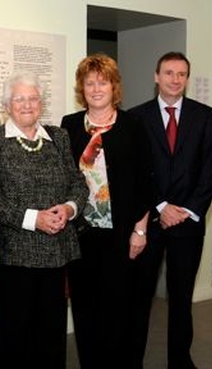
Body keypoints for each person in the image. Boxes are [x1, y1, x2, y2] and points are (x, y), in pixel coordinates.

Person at [0, 70, 88, 369]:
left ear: (41, 103)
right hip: (13, 258)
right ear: (7, 104)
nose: (27, 104)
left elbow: (78, 184)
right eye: (19, 99)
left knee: (51, 338)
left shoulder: (58, 136)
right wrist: (34, 219)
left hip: (56, 256)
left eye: (33, 98)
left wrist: (69, 209)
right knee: (15, 338)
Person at [61, 54, 153, 368]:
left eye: (103, 82)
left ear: (114, 87)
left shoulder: (133, 126)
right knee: (85, 309)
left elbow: (146, 180)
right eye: (90, 83)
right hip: (81, 234)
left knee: (119, 309)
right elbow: (62, 178)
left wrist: (140, 230)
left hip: (122, 233)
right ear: (81, 88)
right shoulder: (69, 125)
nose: (96, 88)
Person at [129, 51, 212, 369]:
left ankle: (180, 360)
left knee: (181, 300)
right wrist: (162, 206)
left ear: (187, 78)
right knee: (140, 298)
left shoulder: (204, 114)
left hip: (188, 223)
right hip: (148, 222)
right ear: (156, 76)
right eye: (169, 73)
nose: (175, 79)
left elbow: (211, 168)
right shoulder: (135, 117)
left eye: (181, 74)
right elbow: (135, 172)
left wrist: (188, 210)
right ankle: (133, 359)